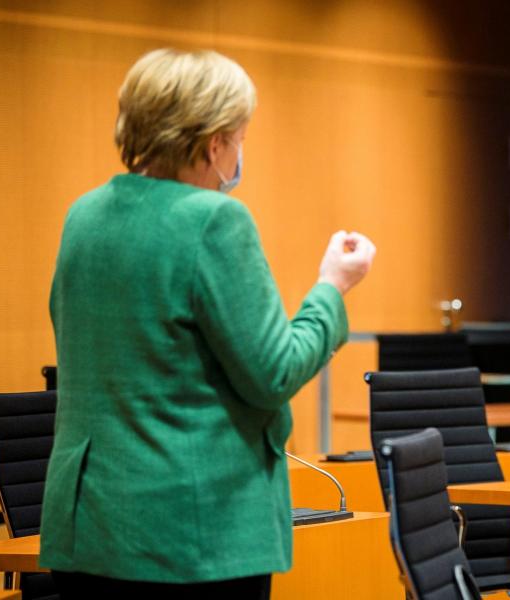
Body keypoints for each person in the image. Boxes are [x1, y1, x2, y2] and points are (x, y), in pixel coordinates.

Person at [40, 48, 376, 598]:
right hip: (190, 535)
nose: (240, 152)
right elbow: (274, 372)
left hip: (87, 527)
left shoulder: (84, 216)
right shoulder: (214, 222)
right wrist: (333, 286)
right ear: (215, 141)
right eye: (240, 138)